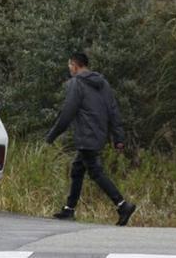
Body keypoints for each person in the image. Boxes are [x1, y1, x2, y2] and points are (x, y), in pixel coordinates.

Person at [45, 52, 137, 226]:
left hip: (86, 135)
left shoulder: (77, 83)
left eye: (69, 65)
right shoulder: (103, 83)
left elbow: (67, 112)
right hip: (99, 134)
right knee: (78, 169)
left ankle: (122, 205)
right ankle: (69, 209)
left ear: (75, 65)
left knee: (95, 172)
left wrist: (52, 135)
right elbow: (113, 110)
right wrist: (118, 138)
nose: (69, 69)